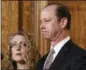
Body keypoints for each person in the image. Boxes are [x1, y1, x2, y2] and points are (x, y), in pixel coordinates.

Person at [36, 3, 86, 70]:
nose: (41, 26)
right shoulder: (42, 60)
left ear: (63, 23)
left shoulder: (80, 57)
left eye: (47, 21)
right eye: (41, 21)